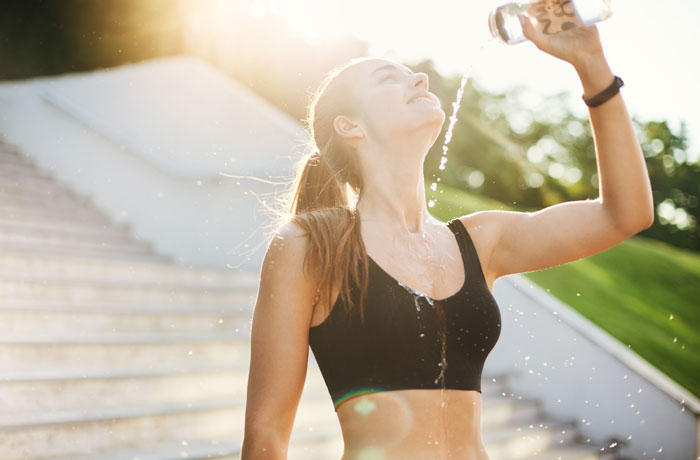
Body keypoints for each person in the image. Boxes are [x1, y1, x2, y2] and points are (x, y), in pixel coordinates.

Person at [240, 12, 654, 460]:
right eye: (387, 79)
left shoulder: (478, 242)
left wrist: (591, 64)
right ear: (350, 126)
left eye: (412, 73)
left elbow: (625, 215)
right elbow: (266, 435)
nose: (418, 78)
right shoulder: (311, 245)